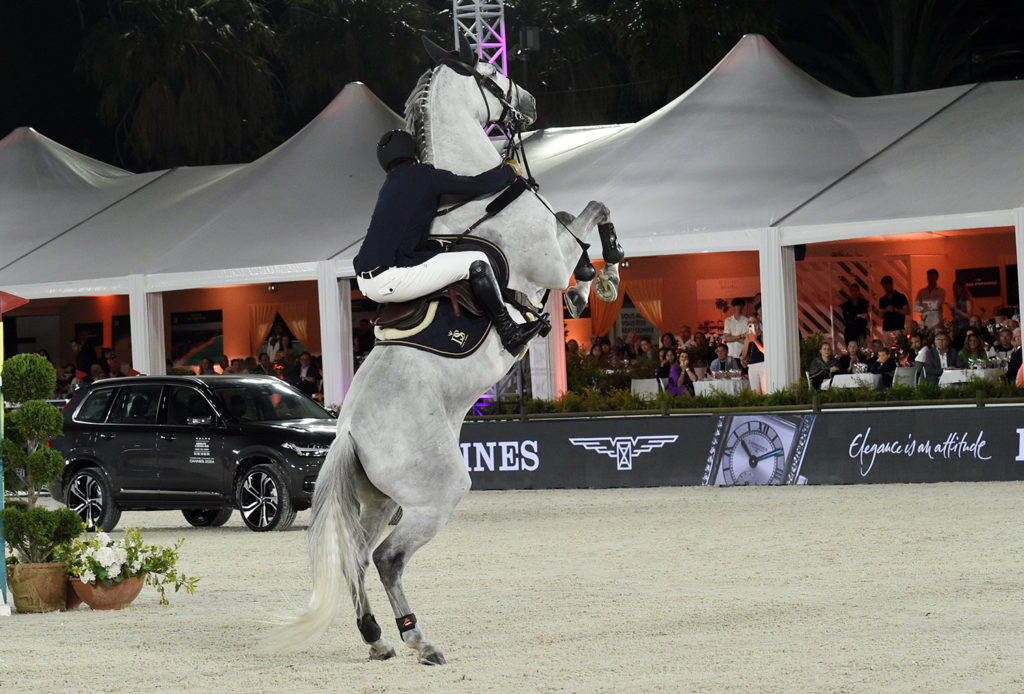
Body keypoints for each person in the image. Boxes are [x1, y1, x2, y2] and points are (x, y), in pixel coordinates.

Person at [353, 129, 544, 355]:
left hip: (366, 282)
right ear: (414, 153)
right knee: (477, 261)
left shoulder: (388, 186)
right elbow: (476, 185)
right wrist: (509, 171)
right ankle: (510, 334)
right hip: (391, 277)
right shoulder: (423, 175)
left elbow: (408, 237)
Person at [741, 317, 766, 394]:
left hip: (763, 364)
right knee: (755, 392)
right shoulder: (747, 337)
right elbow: (744, 355)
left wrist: (754, 340)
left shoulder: (762, 334)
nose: (752, 324)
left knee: (765, 390)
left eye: (754, 322)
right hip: (752, 365)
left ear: (758, 324)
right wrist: (748, 341)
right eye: (749, 322)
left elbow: (764, 351)